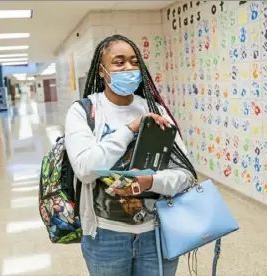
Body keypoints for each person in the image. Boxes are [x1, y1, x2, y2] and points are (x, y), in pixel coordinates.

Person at [64, 34, 196, 276]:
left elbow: (185, 174)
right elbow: (85, 169)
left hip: (158, 232)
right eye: (119, 62)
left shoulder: (154, 109)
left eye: (134, 62)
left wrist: (150, 182)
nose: (129, 68)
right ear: (102, 70)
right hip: (105, 237)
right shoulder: (84, 111)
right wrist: (130, 129)